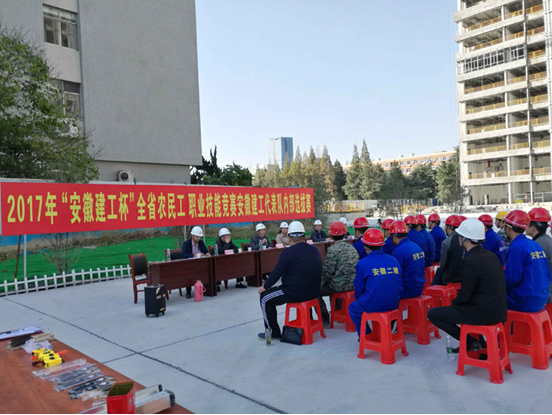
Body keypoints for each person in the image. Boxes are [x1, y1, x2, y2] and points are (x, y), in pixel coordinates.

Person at [428, 219, 507, 352]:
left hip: (483, 313)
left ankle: (470, 341)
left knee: (433, 314)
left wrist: (454, 306)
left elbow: (465, 294)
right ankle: (480, 343)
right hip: (499, 310)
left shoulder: (470, 260)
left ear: (465, 239)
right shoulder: (490, 256)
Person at [258, 221, 322, 340]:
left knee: (265, 298)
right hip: (314, 292)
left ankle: (272, 332)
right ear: (304, 236)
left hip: (294, 292)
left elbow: (276, 273)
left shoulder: (287, 252)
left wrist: (265, 287)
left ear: (289, 237)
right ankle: (308, 321)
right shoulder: (315, 250)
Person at [348, 229, 403, 338]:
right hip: (394, 303)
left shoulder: (363, 263)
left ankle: (367, 336)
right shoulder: (393, 260)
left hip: (373, 303)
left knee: (353, 308)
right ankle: (386, 332)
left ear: (366, 247)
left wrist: (360, 299)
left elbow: (358, 288)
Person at [503, 210, 551, 312]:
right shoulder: (535, 245)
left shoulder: (517, 247)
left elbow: (511, 278)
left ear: (509, 228)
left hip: (525, 302)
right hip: (542, 298)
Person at [317, 221, 358, 325]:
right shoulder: (352, 248)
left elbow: (327, 272)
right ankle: (337, 313)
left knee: (315, 291)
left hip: (339, 286)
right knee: (333, 284)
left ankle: (325, 319)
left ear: (331, 235)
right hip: (354, 285)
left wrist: (321, 283)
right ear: (345, 233)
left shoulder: (332, 250)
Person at [390, 221, 426, 299]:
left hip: (407, 290)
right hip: (420, 287)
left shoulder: (399, 251)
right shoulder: (416, 246)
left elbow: (395, 275)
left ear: (394, 237)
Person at [526, 207, 552, 304]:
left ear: (533, 228)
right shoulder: (546, 239)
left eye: (527, 224)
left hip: (546, 294)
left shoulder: (539, 244)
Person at [431, 215, 464, 286]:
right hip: (463, 277)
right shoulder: (465, 240)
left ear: (448, 227)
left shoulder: (446, 242)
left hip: (450, 278)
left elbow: (443, 265)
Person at [182, 226, 211, 298]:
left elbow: (206, 251)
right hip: (189, 264)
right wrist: (194, 255)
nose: (198, 238)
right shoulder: (186, 244)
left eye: (199, 237)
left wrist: (208, 253)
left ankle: (205, 287)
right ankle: (188, 291)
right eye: (197, 236)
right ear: (192, 236)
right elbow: (183, 255)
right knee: (189, 273)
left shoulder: (201, 242)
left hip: (200, 263)